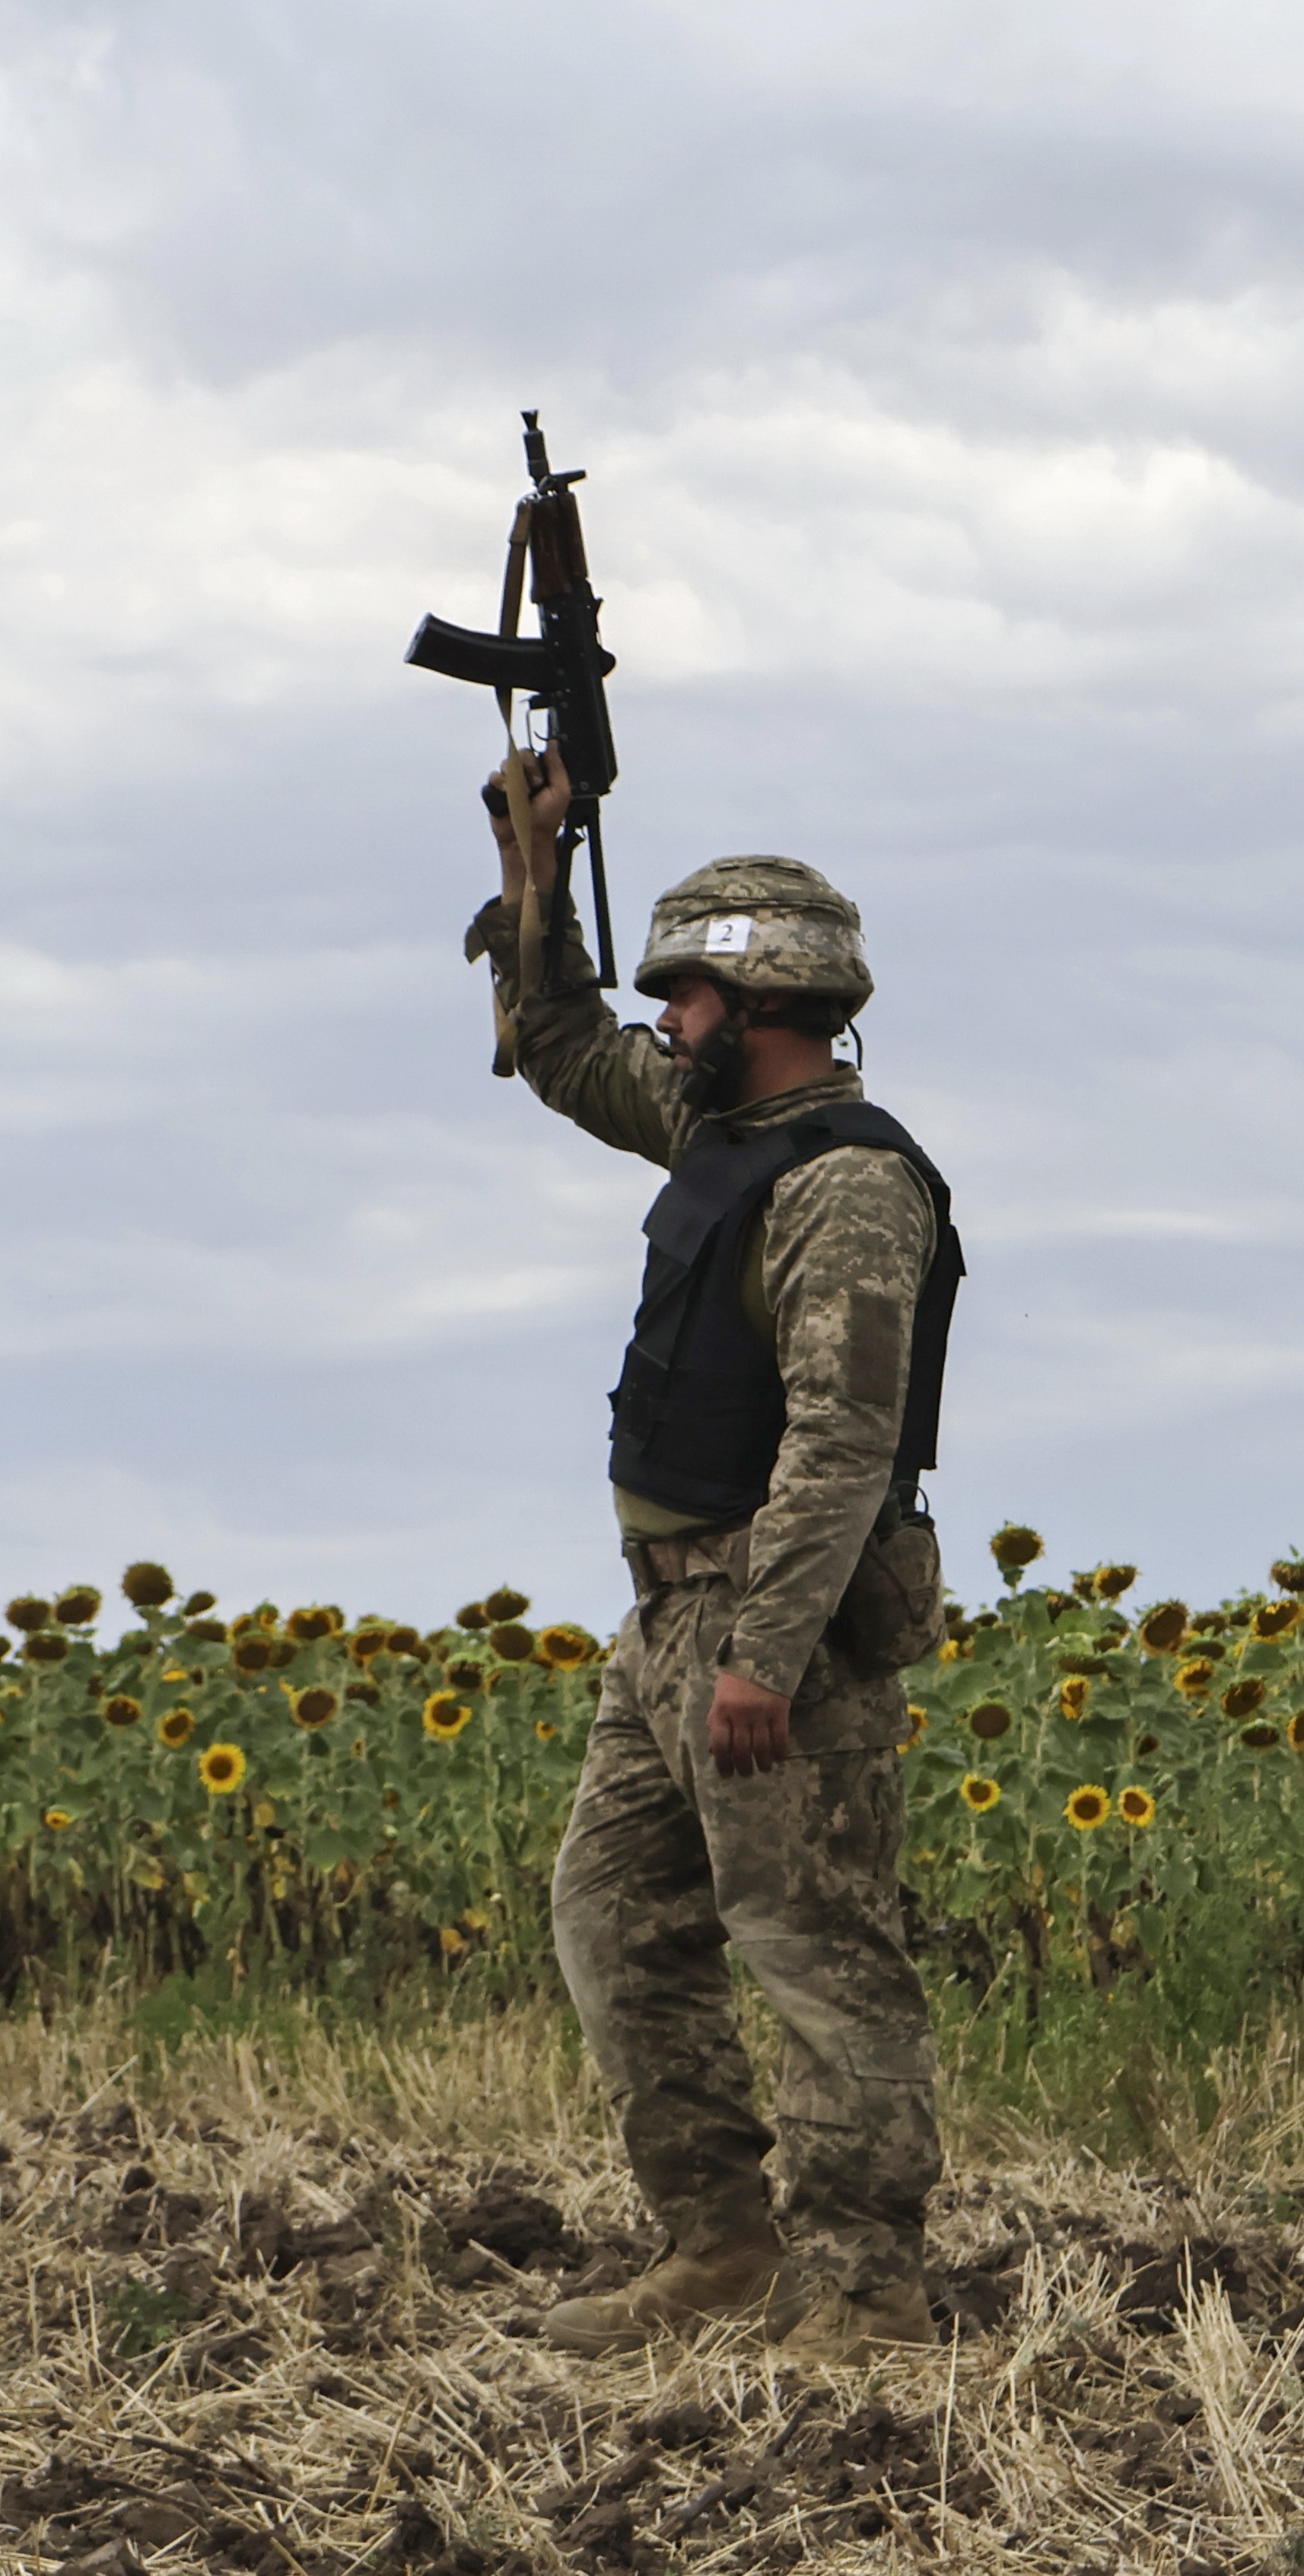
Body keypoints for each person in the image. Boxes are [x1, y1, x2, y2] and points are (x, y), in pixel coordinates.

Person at [469, 753, 962, 2364]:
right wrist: (531, 867)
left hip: (772, 1629)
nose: (661, 1022)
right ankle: (721, 2250)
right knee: (614, 1917)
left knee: (818, 1956)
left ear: (759, 1008)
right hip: (664, 1621)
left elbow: (842, 1442)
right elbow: (548, 1046)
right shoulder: (714, 1137)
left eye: (681, 997)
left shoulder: (849, 1184)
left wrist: (763, 1653)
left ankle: (869, 2293)